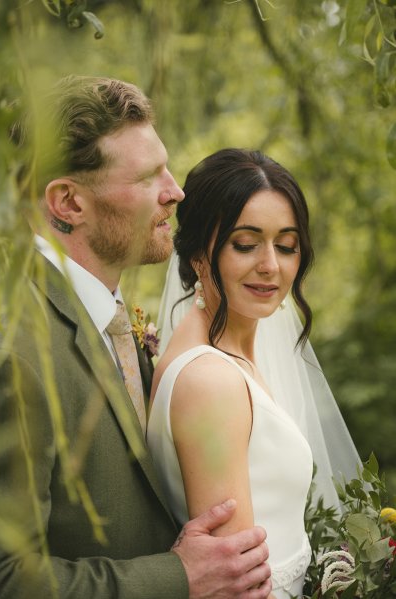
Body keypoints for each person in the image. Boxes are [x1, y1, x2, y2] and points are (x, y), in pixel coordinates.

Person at [0, 78, 273, 598]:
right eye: (149, 176)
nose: (176, 191)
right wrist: (178, 577)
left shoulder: (110, 322)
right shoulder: (16, 348)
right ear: (68, 203)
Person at [147, 149, 361, 599]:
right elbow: (234, 583)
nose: (271, 265)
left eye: (286, 245)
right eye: (245, 244)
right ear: (199, 254)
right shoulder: (210, 380)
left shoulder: (233, 355)